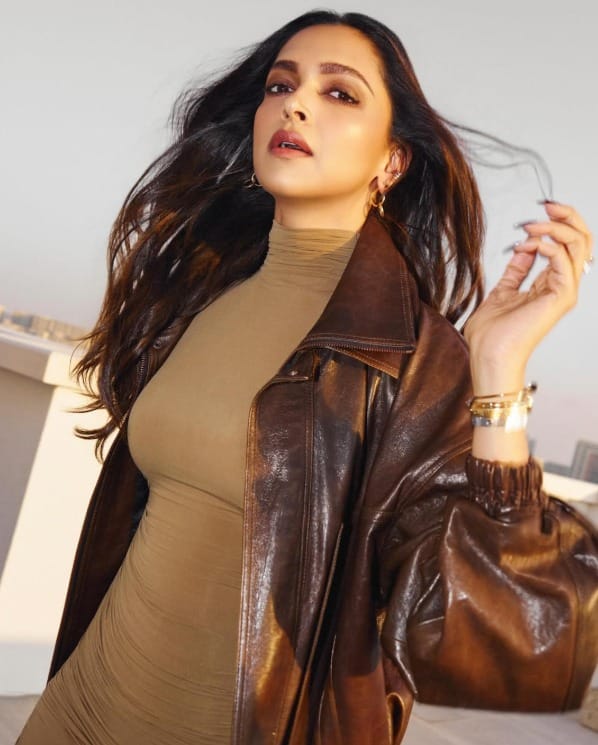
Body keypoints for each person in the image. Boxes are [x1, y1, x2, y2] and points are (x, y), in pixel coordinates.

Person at [17, 9, 597, 745]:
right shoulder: (203, 290)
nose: (294, 104)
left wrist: (497, 372)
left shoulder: (412, 358)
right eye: (280, 84)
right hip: (76, 707)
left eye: (340, 93)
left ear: (392, 163)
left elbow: (507, 637)